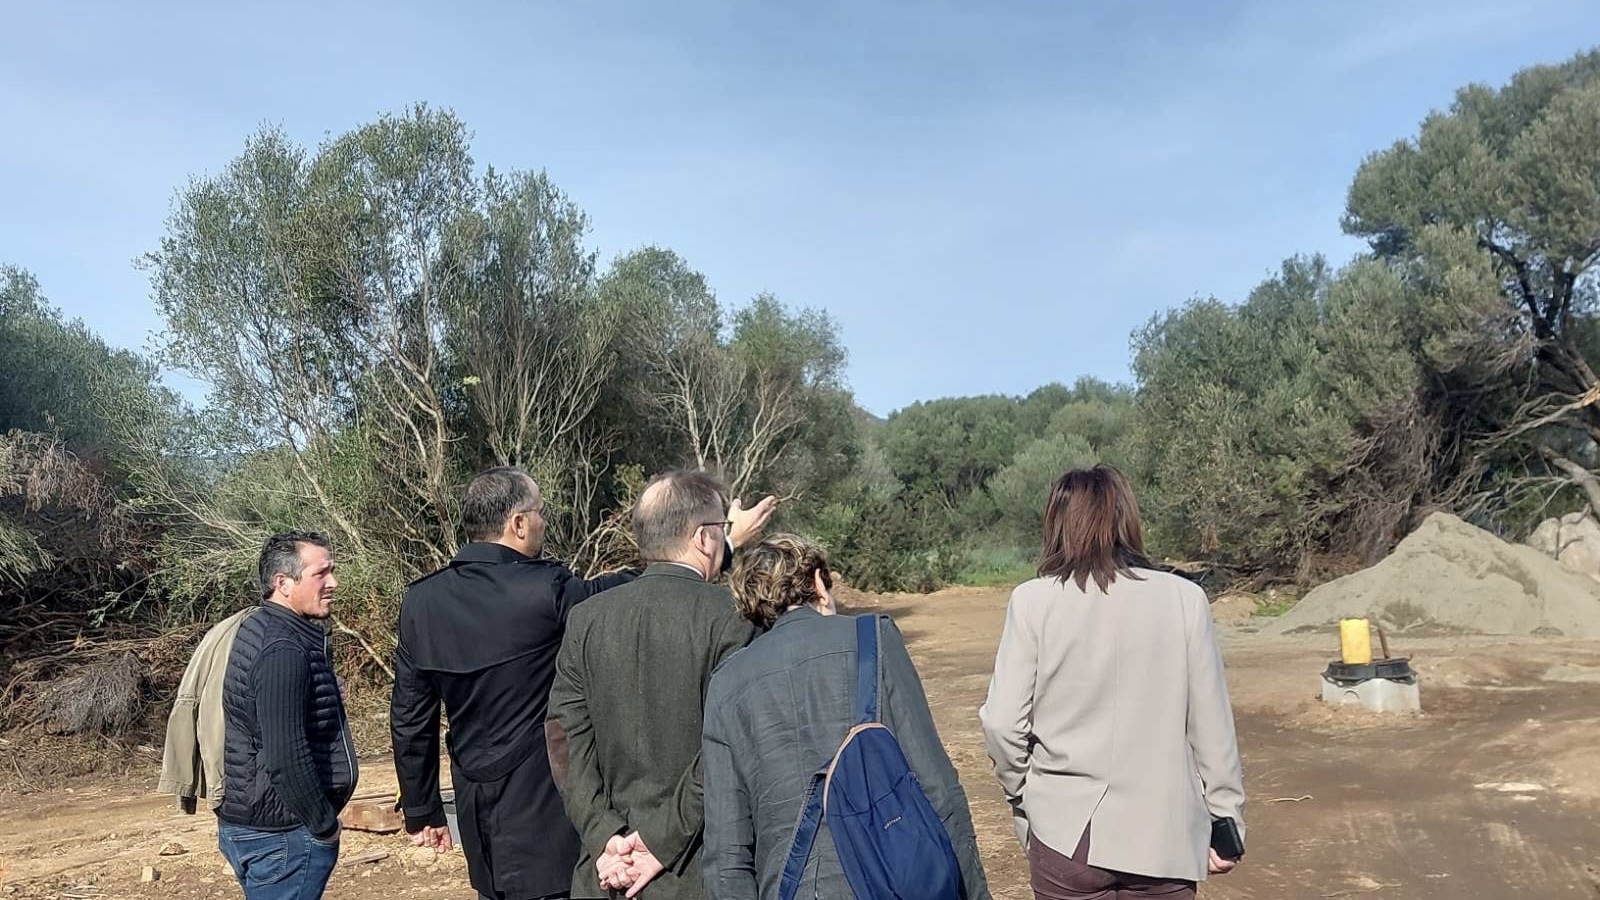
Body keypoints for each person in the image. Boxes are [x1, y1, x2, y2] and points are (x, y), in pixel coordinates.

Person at [979, 465, 1245, 900]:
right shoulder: (1185, 600)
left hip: (1067, 834)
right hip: (1163, 834)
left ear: (1057, 524)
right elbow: (1212, 726)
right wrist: (1226, 816)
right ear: (1128, 520)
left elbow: (1003, 723)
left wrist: (1025, 795)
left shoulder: (1032, 602)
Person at [390, 467, 642, 900]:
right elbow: (616, 594)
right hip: (549, 819)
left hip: (479, 823)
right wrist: (714, 548)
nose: (545, 522)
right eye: (541, 512)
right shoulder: (545, 590)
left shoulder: (421, 601)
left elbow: (410, 718)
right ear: (519, 523)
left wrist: (422, 808)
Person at [702, 534, 992, 900]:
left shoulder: (726, 683)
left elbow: (727, 857)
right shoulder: (874, 639)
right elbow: (937, 786)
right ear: (818, 584)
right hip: (889, 883)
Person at [547, 469, 775, 900]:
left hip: (605, 874)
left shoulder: (586, 619)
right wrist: (656, 841)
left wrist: (604, 835)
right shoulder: (736, 618)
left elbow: (563, 740)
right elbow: (730, 745)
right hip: (695, 870)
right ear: (705, 537)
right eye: (722, 527)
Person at [216, 531, 358, 900]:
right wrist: (323, 825)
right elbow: (285, 756)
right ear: (283, 583)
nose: (333, 582)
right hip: (282, 835)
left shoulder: (263, 627)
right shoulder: (283, 648)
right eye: (321, 573)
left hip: (264, 827)